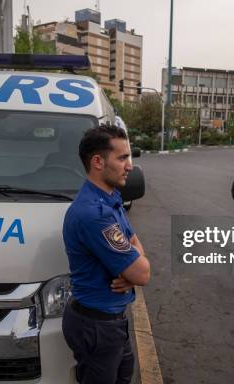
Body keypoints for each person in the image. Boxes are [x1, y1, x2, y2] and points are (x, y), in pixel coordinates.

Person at [62, 124, 151, 384]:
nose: (130, 166)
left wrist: (132, 274)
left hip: (109, 322)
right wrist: (134, 272)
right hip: (98, 327)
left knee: (124, 374)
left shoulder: (109, 198)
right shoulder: (95, 215)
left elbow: (134, 241)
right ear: (98, 162)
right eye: (122, 158)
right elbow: (143, 272)